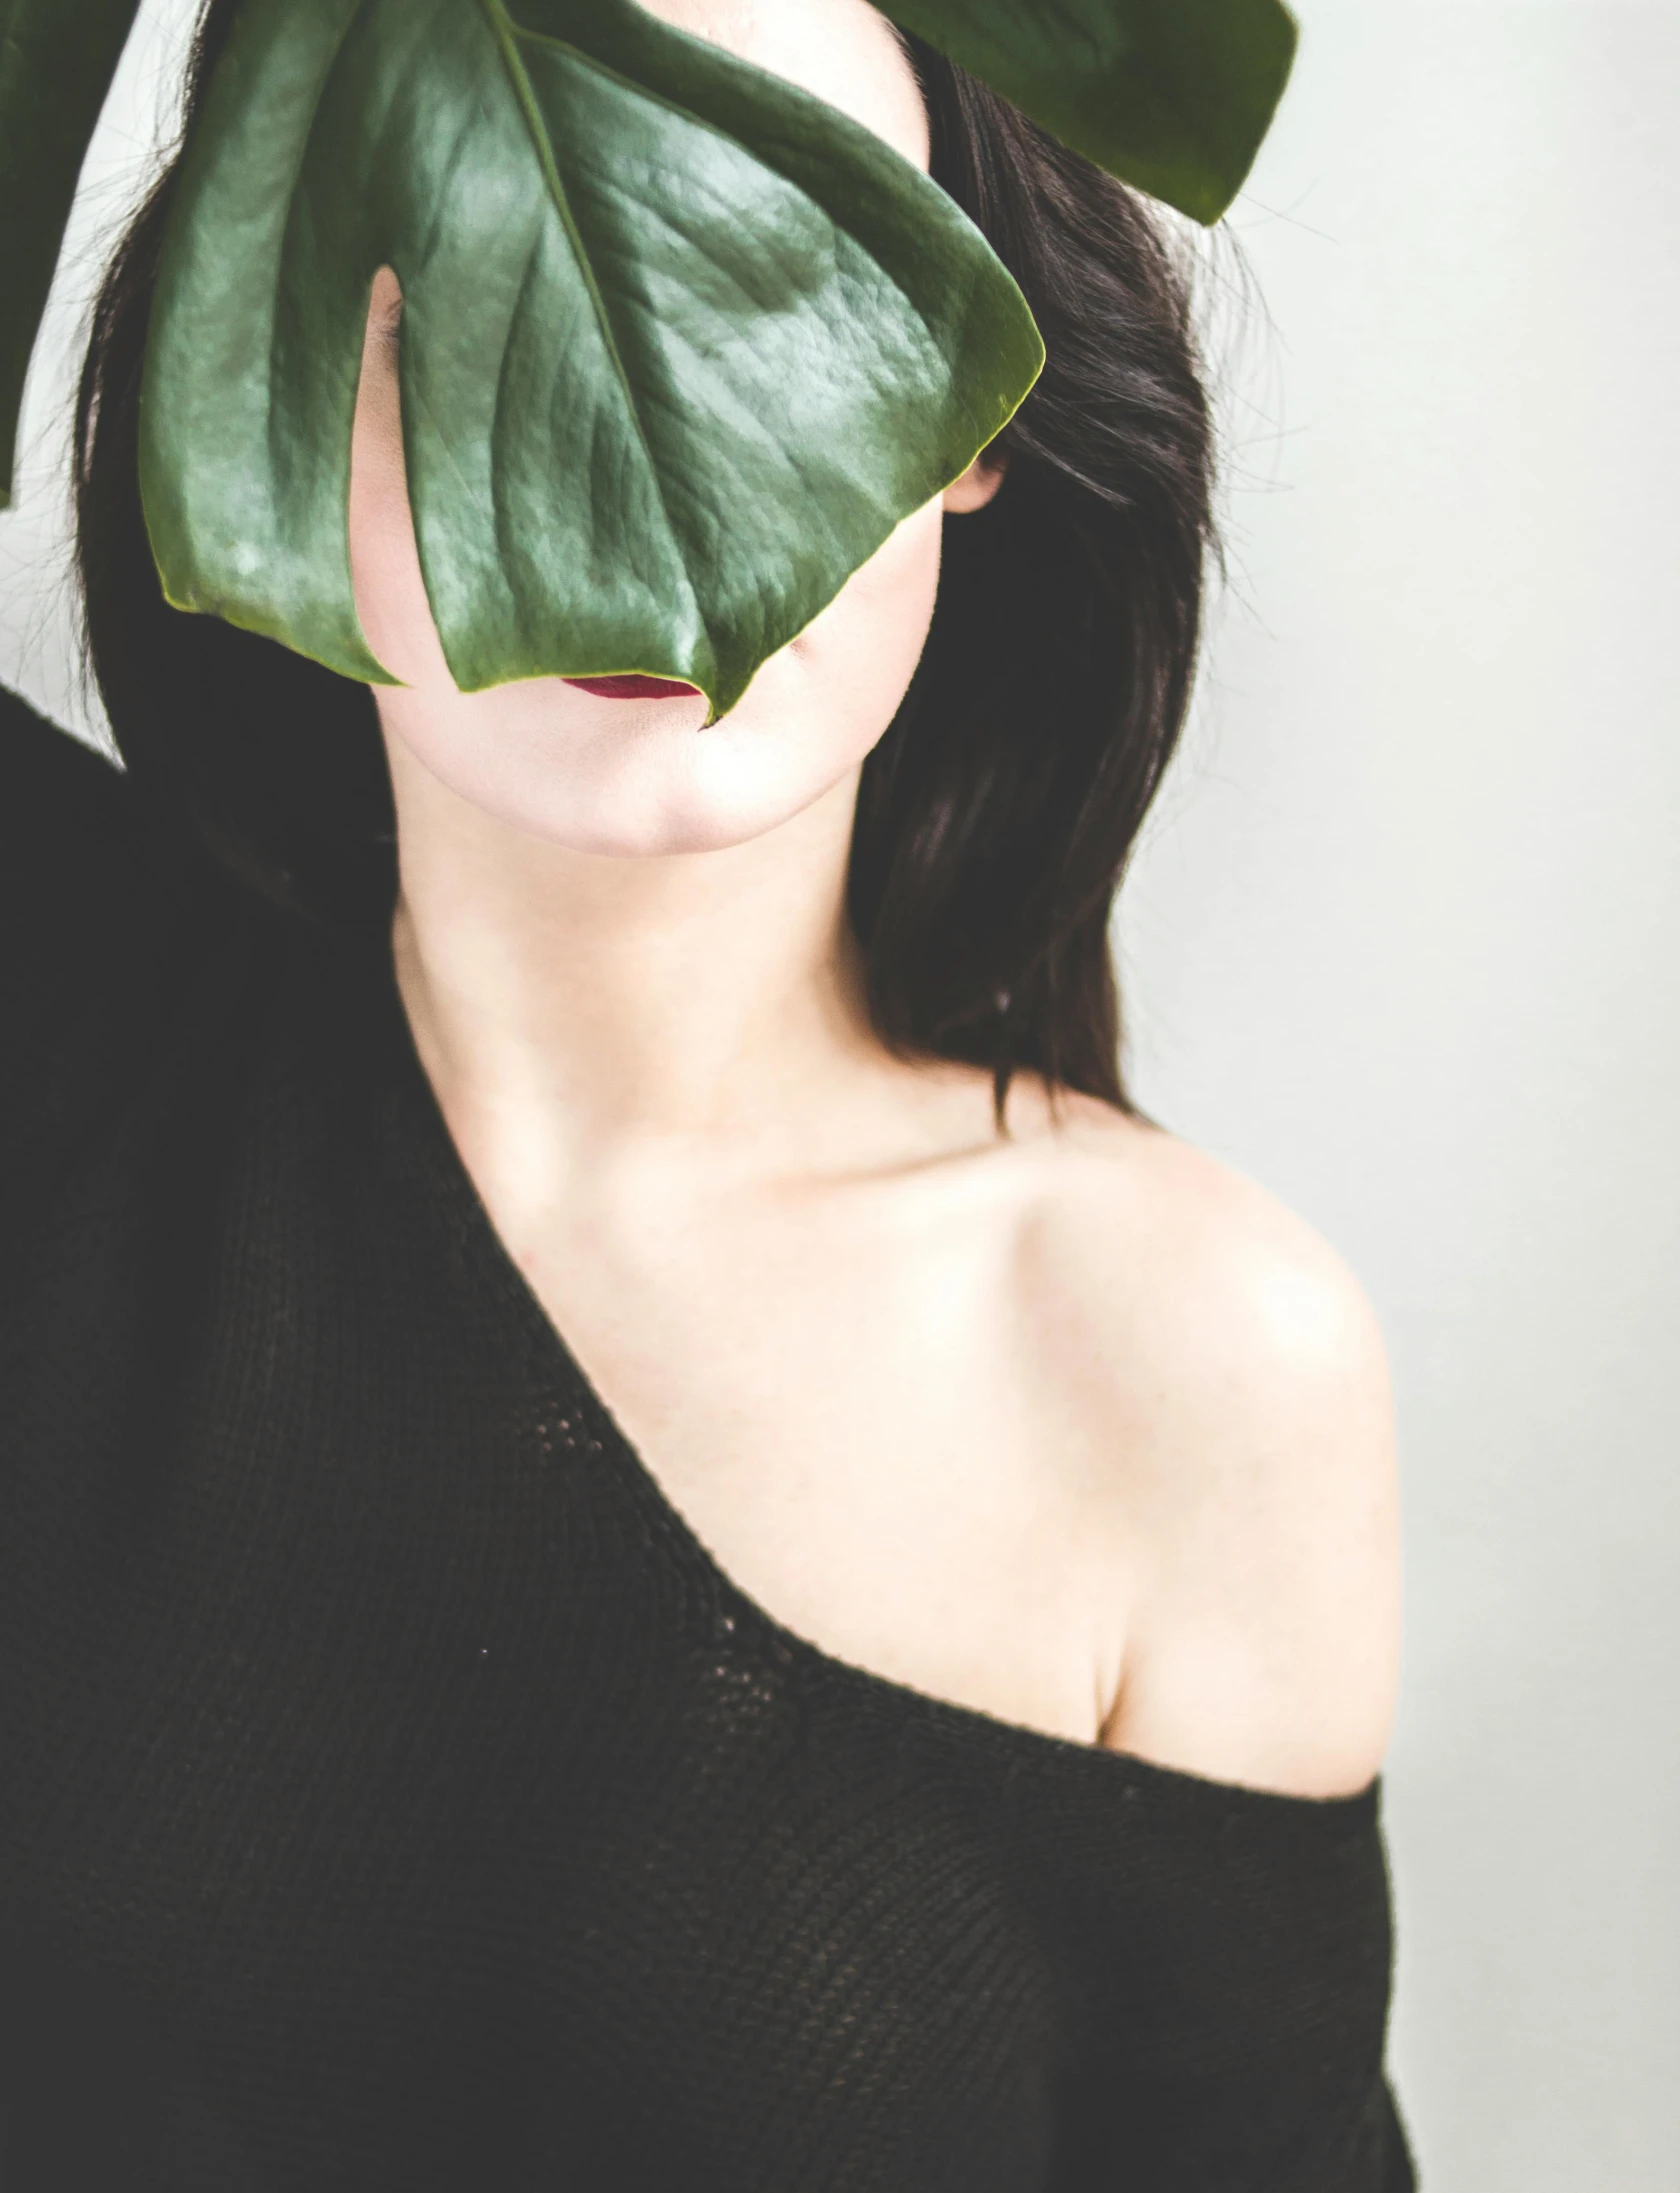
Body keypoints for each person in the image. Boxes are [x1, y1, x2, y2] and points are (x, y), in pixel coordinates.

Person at [0, 0, 1414, 2185]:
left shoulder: (1182, 1360)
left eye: (771, 265)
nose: (617, 407)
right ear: (266, 357)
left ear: (981, 411)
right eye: (469, 262)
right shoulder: (63, 1012)